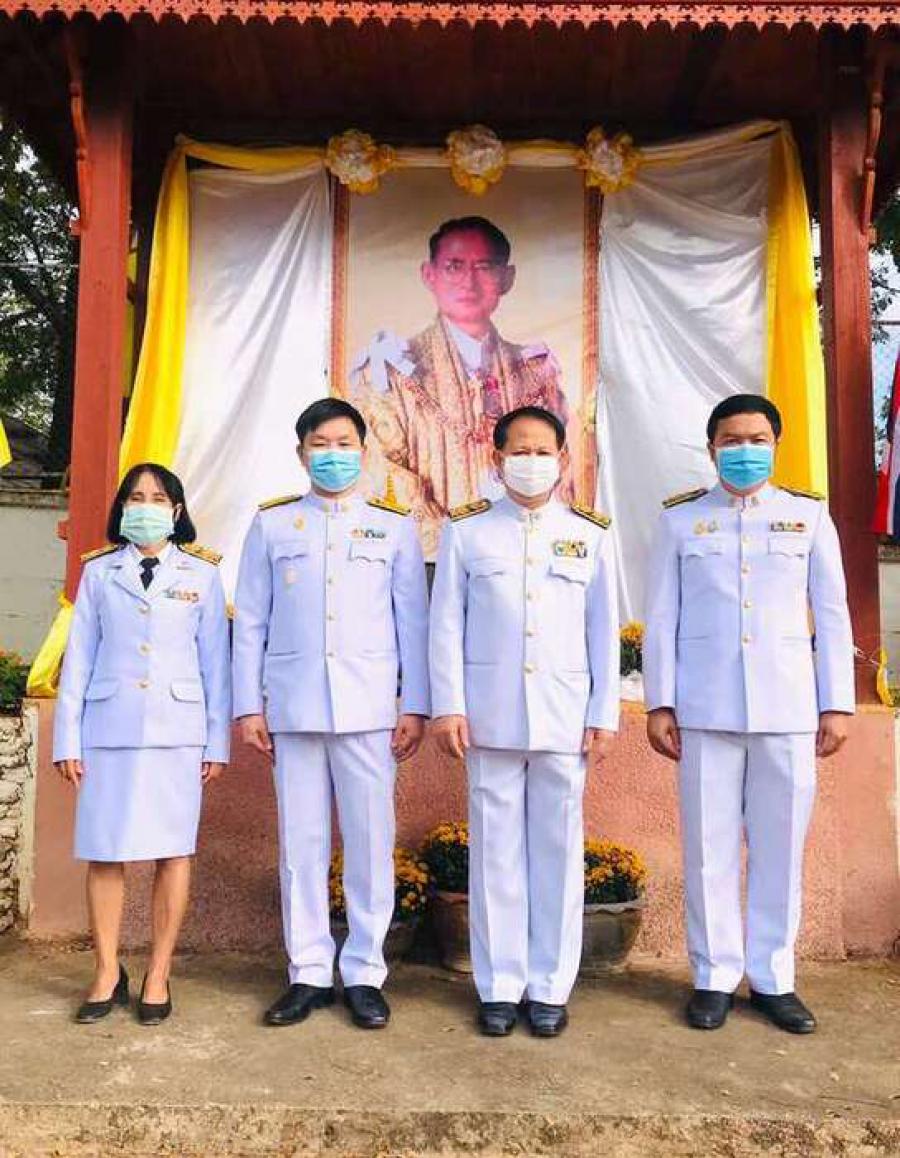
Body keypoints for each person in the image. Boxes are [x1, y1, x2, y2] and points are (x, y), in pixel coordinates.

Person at [643, 394, 855, 1034]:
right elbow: (661, 616)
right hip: (705, 708)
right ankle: (712, 977)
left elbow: (832, 613)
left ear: (776, 444)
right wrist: (660, 701)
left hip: (788, 708)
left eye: (757, 439)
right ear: (711, 450)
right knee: (708, 851)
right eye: (731, 440)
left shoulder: (807, 516)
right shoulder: (680, 520)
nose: (744, 451)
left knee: (779, 848)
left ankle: (773, 978)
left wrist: (836, 702)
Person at [233, 397, 430, 1030]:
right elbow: (251, 622)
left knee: (371, 843)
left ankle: (366, 971)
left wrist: (415, 704)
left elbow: (412, 623)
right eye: (321, 444)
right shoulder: (272, 525)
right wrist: (248, 705)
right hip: (292, 707)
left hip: (369, 709)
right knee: (302, 844)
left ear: (363, 452)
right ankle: (310, 972)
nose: (333, 455)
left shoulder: (392, 527)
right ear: (301, 453)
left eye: (345, 444)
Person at [429, 405, 619, 1037]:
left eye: (543, 452)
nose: (532, 462)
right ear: (497, 458)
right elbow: (445, 624)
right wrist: (449, 705)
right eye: (520, 451)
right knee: (495, 854)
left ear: (562, 460)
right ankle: (499, 986)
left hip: (565, 716)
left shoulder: (590, 533)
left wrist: (602, 711)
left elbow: (602, 630)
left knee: (559, 851)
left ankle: (549, 987)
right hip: (490, 715)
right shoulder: (468, 531)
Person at [53, 463, 230, 1026]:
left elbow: (216, 666)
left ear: (176, 510)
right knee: (106, 851)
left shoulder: (202, 574)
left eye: (157, 497)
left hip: (179, 734)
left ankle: (158, 971)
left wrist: (217, 743)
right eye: (135, 497)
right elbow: (79, 660)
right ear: (122, 508)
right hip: (108, 730)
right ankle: (107, 969)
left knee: (172, 851)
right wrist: (67, 739)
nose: (145, 506)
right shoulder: (100, 572)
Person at [351, 216, 570, 556]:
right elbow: (381, 471)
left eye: (484, 267)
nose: (469, 282)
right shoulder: (388, 372)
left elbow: (562, 469)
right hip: (426, 561)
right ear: (429, 275)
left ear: (507, 277)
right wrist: (453, 545)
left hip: (522, 557)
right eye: (454, 267)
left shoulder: (536, 374)